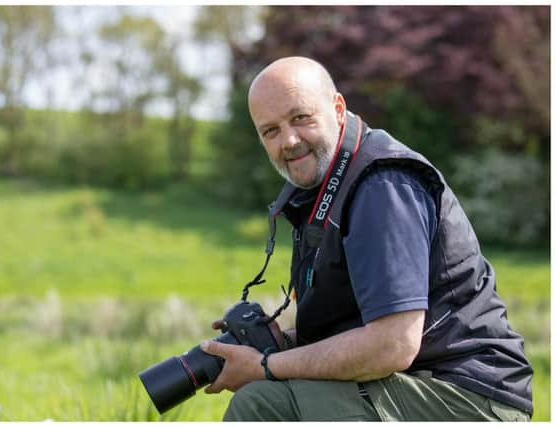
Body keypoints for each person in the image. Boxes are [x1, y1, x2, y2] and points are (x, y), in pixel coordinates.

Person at [198, 56, 533, 421]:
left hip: (469, 395)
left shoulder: (380, 186)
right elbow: (362, 324)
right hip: (423, 381)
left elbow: (393, 345)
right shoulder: (328, 190)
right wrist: (282, 343)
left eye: (300, 118)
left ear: (338, 109)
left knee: (262, 405)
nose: (289, 141)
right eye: (271, 131)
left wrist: (265, 365)